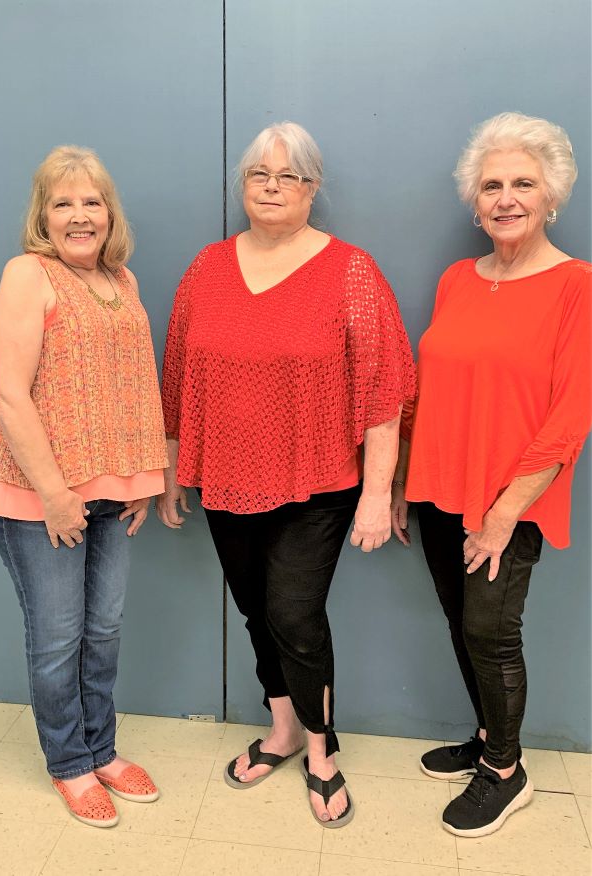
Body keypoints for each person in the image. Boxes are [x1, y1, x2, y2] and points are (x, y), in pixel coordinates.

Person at [158, 121, 416, 827]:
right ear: (243, 186)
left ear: (312, 188)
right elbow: (179, 372)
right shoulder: (206, 268)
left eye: (288, 177)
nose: (271, 189)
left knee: (293, 617)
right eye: (258, 176)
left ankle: (321, 748)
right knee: (253, 611)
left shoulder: (350, 271)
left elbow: (382, 390)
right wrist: (174, 467)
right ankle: (282, 730)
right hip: (226, 478)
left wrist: (374, 495)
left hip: (319, 483)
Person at [393, 112, 591, 837]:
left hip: (510, 499)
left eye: (521, 184)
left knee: (490, 629)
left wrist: (506, 510)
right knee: (461, 621)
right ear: (474, 202)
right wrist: (400, 486)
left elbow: (571, 414)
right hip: (441, 489)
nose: (505, 198)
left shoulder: (576, 285)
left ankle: (506, 771)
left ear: (551, 196)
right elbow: (429, 389)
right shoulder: (456, 279)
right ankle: (486, 737)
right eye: (490, 186)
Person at [0, 146, 168, 828]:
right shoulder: (27, 275)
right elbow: (8, 392)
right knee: (58, 638)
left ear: (109, 213)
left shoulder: (124, 280)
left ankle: (102, 749)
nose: (79, 215)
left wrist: (142, 474)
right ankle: (69, 764)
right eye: (63, 203)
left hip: (111, 492)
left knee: (104, 630)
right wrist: (57, 493)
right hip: (40, 499)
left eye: (92, 201)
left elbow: (131, 385)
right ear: (43, 217)